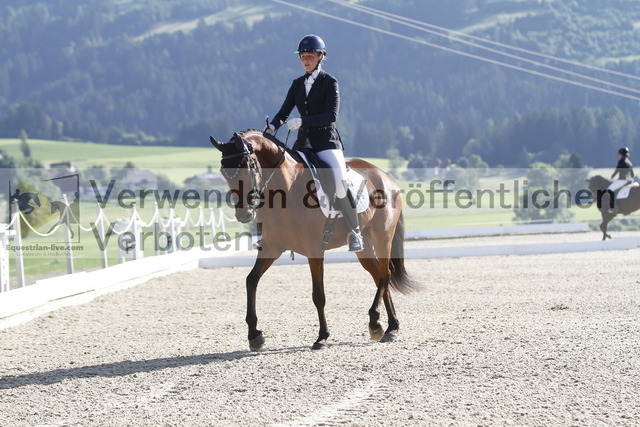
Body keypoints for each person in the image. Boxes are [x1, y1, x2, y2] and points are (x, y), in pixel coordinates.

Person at [264, 34, 363, 252]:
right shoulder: (297, 84)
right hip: (303, 145)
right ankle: (275, 232)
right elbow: (284, 111)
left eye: (310, 56)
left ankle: (354, 230)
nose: (305, 60)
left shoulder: (330, 82)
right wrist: (272, 126)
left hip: (326, 143)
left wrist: (303, 121)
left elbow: (331, 116)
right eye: (302, 56)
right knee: (280, 179)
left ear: (320, 57)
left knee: (340, 184)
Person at [606, 147, 635, 212]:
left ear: (621, 154)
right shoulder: (630, 162)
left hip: (623, 180)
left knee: (609, 190)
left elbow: (617, 170)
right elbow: (632, 174)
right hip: (630, 180)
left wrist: (611, 177)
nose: (618, 155)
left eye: (619, 154)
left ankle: (614, 206)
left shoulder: (621, 160)